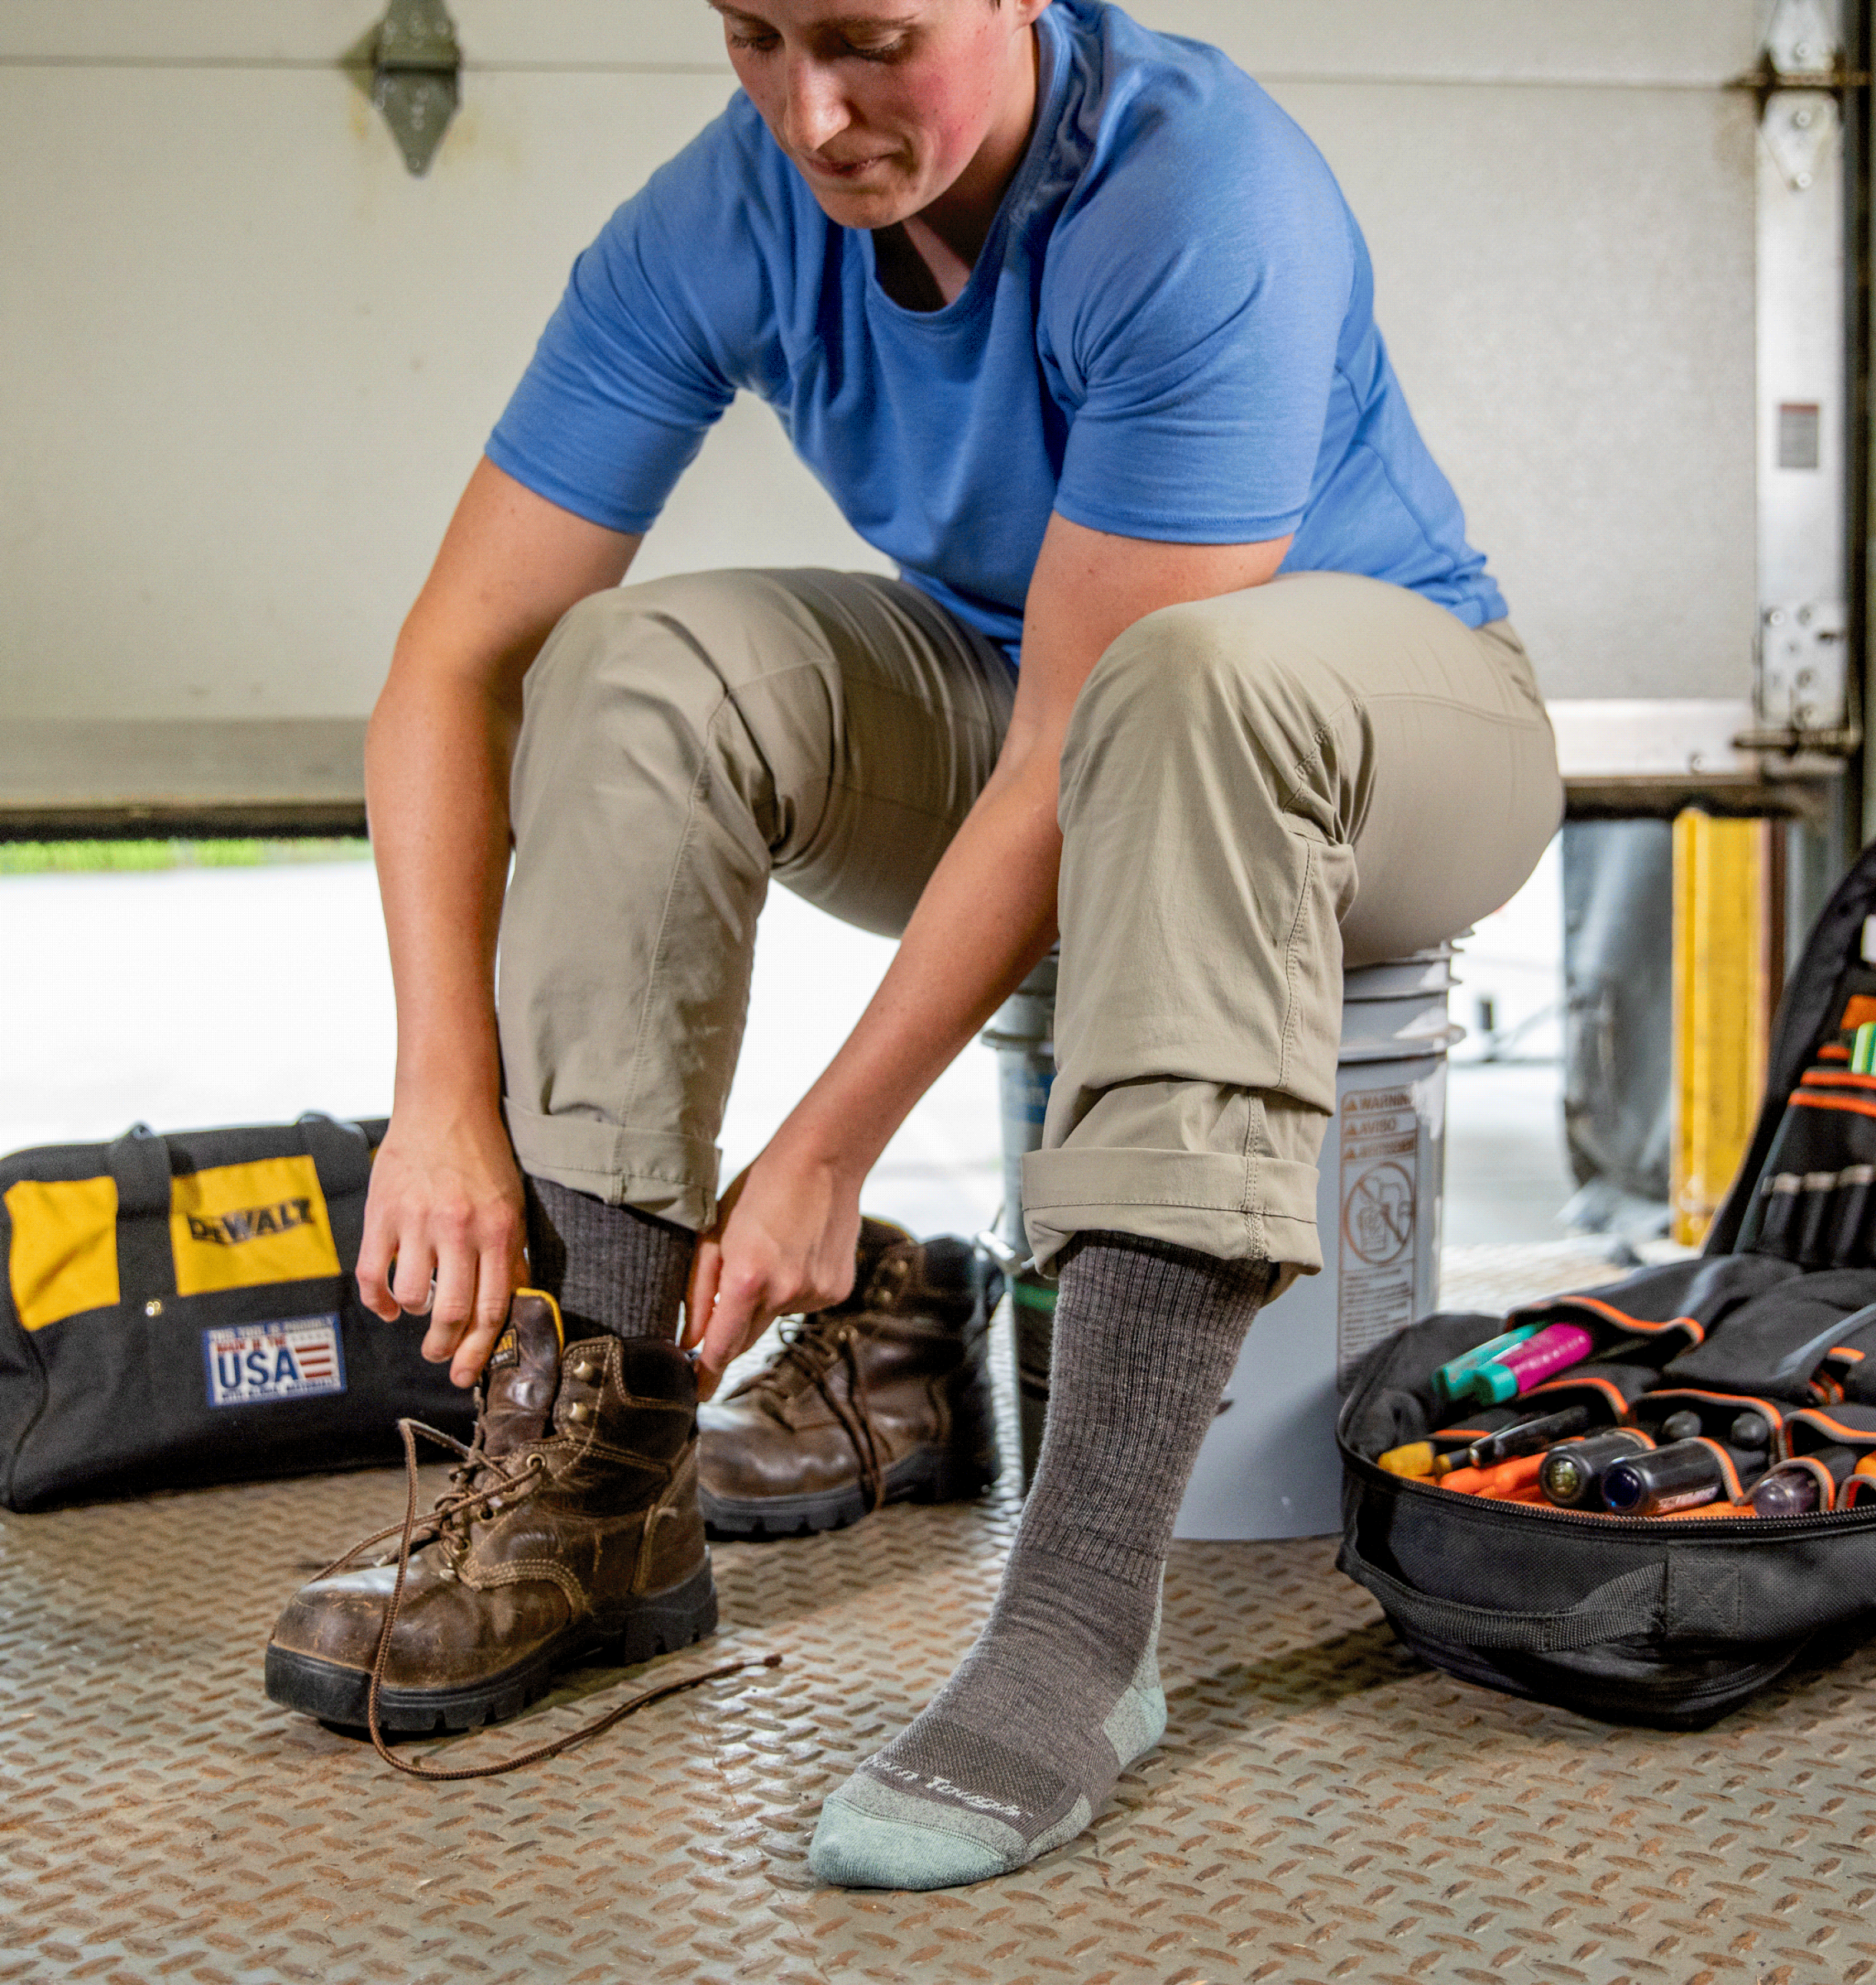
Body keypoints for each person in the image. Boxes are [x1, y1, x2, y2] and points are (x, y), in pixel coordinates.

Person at [266, 0, 1560, 1890]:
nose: (813, 112)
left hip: (1399, 731)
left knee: (1192, 692)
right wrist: (442, 1093)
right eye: (756, 36)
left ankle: (1079, 1619)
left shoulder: (1201, 199)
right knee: (632, 667)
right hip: (1051, 702)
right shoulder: (728, 215)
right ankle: (605, 1492)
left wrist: (829, 1145)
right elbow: (452, 664)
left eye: (872, 37)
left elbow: (1082, 742)